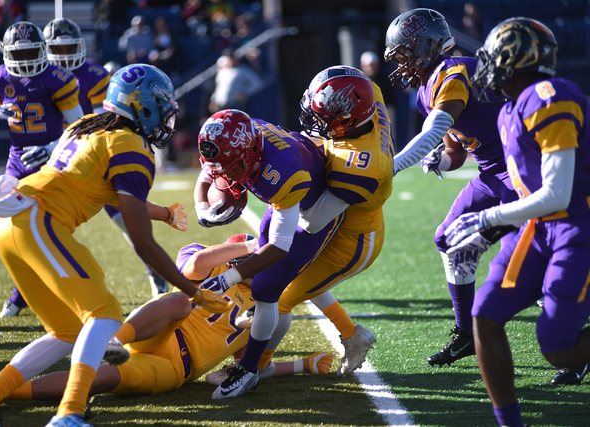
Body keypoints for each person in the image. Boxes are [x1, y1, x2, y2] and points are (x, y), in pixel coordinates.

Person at [0, 64, 230, 427]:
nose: (166, 119)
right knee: (105, 315)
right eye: (162, 109)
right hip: (39, 223)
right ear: (143, 107)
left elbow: (103, 192)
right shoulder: (132, 147)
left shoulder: (85, 129)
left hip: (12, 225)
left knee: (68, 332)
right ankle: (68, 413)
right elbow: (144, 245)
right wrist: (192, 290)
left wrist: (162, 213)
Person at [444, 17, 590, 427]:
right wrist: (495, 223)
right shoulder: (511, 108)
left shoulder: (548, 94)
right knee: (486, 316)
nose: (485, 66)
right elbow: (533, 193)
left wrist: (487, 217)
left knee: (557, 348)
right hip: (541, 227)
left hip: (578, 225)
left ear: (512, 59)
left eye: (492, 57)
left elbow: (558, 194)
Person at [0, 234, 333, 405]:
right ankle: (115, 340)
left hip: (176, 370)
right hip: (157, 332)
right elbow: (193, 264)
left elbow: (243, 371)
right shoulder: (212, 264)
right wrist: (251, 246)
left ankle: (4, 393)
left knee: (100, 380)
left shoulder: (267, 305)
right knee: (179, 301)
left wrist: (302, 365)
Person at [383, 8, 519, 367]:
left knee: (524, 264)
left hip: (522, 173)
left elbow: (433, 132)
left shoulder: (454, 71)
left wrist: (392, 166)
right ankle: (465, 334)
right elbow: (455, 151)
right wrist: (439, 160)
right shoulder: (426, 89)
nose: (401, 64)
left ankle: (571, 343)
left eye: (404, 54)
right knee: (448, 239)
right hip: (492, 175)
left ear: (426, 46)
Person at [252, 65, 393, 378]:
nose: (315, 123)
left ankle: (257, 366)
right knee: (296, 276)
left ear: (347, 120)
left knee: (281, 295)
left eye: (324, 117)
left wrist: (282, 191)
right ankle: (352, 334)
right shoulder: (368, 98)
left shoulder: (358, 167)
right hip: (344, 219)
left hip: (352, 241)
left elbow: (312, 221)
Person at [194, 109, 343, 399]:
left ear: (249, 154)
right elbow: (209, 169)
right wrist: (202, 208)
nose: (223, 177)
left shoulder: (283, 173)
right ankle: (262, 341)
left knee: (265, 288)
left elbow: (279, 247)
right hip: (284, 199)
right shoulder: (239, 141)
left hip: (314, 210)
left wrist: (228, 279)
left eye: (231, 168)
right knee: (264, 281)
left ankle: (249, 370)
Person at [40, 17, 170, 298]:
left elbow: (108, 121)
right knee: (42, 226)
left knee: (129, 224)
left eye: (69, 48)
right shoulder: (40, 78)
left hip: (94, 158)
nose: (63, 55)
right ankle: (22, 294)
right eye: (57, 49)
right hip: (61, 158)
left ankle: (155, 273)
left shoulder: (96, 75)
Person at [0, 21, 85, 318]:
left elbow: (79, 128)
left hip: (54, 160)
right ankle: (24, 292)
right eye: (18, 54)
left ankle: (24, 295)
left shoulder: (56, 78)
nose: (25, 61)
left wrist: (51, 148)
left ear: (43, 50)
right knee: (11, 228)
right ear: (5, 52)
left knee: (44, 229)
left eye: (31, 53)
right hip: (17, 160)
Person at [208, 50, 262, 114]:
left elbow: (257, 83)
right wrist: (213, 101)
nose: (231, 61)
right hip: (220, 106)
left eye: (232, 58)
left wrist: (245, 93)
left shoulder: (243, 70)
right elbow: (218, 88)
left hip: (235, 105)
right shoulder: (222, 71)